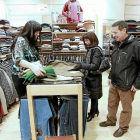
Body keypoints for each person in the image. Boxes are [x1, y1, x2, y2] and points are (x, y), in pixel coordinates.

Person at [99, 20, 140, 137]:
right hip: (115, 82)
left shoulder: (135, 46)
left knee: (126, 108)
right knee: (111, 103)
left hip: (127, 84)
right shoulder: (116, 44)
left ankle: (123, 127)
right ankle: (111, 120)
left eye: (116, 32)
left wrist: (138, 84)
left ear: (124, 31)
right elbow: (115, 63)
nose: (114, 35)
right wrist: (111, 75)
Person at [71, 31, 103, 122]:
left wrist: (81, 65)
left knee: (94, 95)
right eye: (85, 40)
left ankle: (92, 113)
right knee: (93, 94)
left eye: (87, 40)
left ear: (93, 40)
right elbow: (88, 63)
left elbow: (95, 66)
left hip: (94, 77)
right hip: (89, 76)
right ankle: (96, 110)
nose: (86, 42)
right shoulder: (90, 49)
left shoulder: (96, 50)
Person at [11, 20, 46, 100]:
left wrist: (38, 63)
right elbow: (19, 60)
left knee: (32, 101)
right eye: (36, 31)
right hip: (21, 76)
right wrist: (33, 66)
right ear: (30, 31)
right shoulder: (21, 40)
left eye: (38, 31)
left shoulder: (31, 43)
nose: (38, 34)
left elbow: (37, 58)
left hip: (31, 75)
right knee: (25, 101)